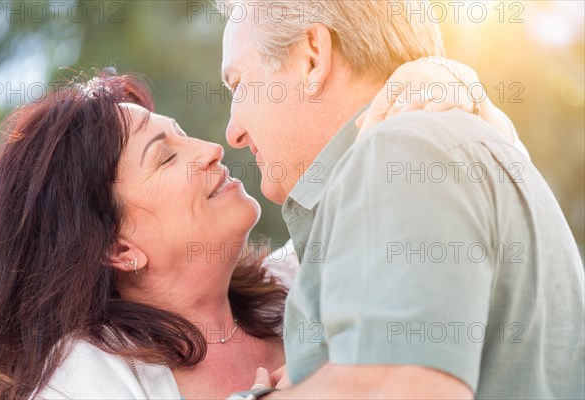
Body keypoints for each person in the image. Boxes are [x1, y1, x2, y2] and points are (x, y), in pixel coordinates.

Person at [0, 60, 505, 399]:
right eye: (166, 157)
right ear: (118, 247)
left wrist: (438, 83)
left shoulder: (302, 278)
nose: (212, 149)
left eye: (184, 135)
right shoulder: (78, 379)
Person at [219, 1, 585, 399]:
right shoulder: (431, 149)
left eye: (238, 85)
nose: (232, 133)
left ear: (313, 57)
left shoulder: (396, 153)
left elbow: (407, 389)